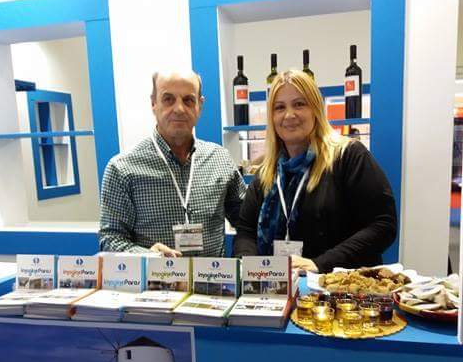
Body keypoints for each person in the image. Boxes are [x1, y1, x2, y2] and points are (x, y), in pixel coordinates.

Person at [233, 69, 397, 273]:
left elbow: (382, 225)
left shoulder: (348, 156)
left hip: (338, 287)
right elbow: (246, 231)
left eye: (299, 104)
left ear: (316, 109)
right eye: (279, 107)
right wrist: (251, 268)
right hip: (277, 286)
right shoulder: (266, 174)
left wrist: (320, 264)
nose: (289, 115)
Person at [99, 70, 246, 257]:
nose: (179, 109)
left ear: (200, 105)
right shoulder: (122, 168)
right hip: (156, 276)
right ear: (153, 103)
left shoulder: (220, 159)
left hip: (213, 275)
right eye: (168, 99)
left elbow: (247, 223)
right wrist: (147, 256)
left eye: (188, 100)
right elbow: (110, 239)